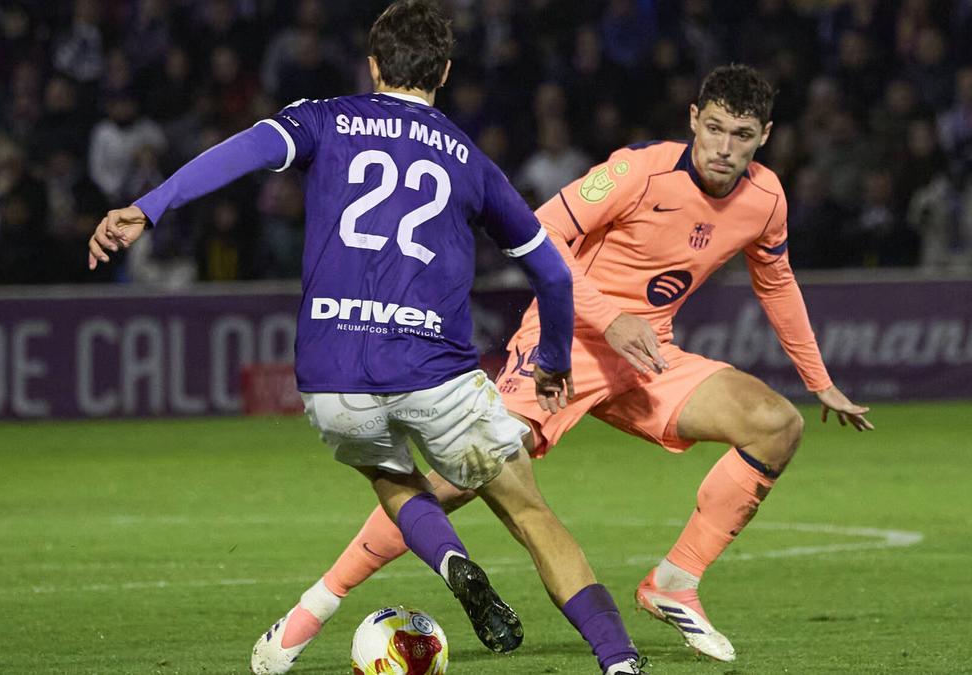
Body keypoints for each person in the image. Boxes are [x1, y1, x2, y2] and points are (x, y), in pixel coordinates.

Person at [86, 2, 645, 674]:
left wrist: (148, 207)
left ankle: (452, 561)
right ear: (443, 69)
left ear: (374, 64)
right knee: (529, 512)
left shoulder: (322, 119)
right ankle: (618, 660)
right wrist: (553, 359)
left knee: (389, 474)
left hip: (332, 374)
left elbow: (239, 152)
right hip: (434, 367)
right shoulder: (469, 159)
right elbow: (553, 275)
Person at [275, 64, 874, 666]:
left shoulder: (766, 199)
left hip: (646, 356)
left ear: (764, 135)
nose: (723, 148)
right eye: (713, 128)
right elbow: (542, 234)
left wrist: (819, 383)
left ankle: (674, 582)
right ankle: (316, 606)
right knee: (463, 479)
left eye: (741, 135)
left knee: (776, 424)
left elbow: (777, 282)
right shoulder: (637, 172)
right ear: (693, 118)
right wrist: (610, 317)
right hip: (567, 345)